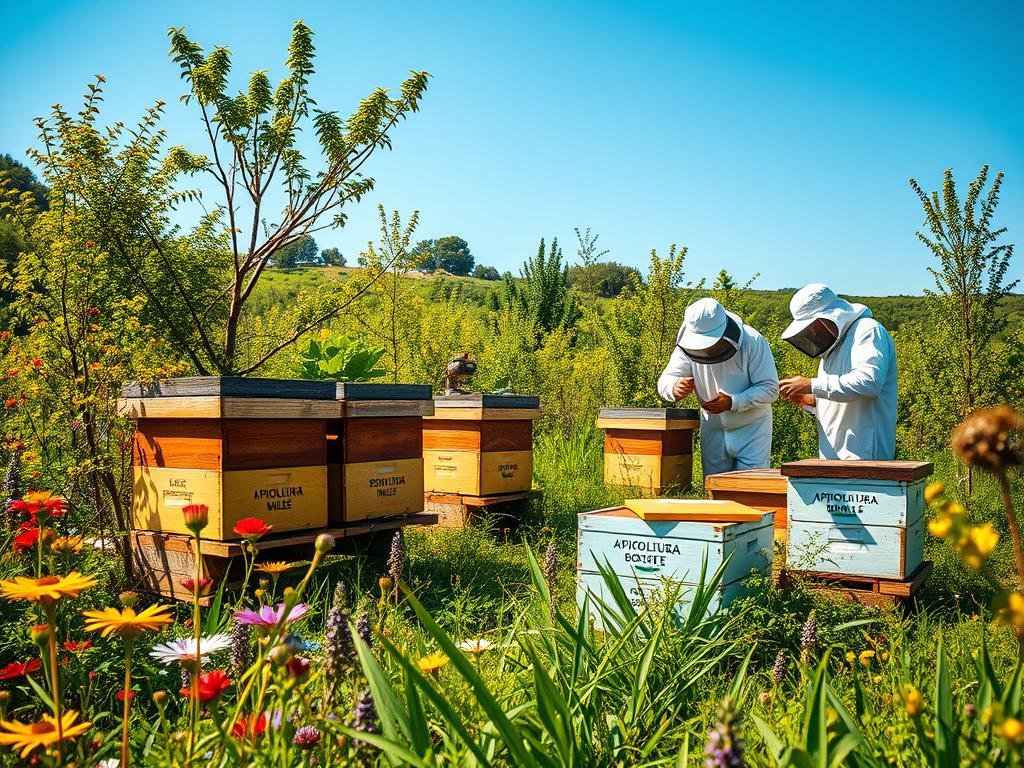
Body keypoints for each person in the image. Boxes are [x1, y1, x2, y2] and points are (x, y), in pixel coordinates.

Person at [658, 297, 779, 477]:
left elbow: (770, 388)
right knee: (716, 491)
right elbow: (665, 380)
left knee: (752, 491)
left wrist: (733, 402)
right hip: (712, 430)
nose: (706, 351)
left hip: (752, 432)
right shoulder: (688, 344)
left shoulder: (753, 341)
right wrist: (674, 387)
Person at [778, 283, 897, 460]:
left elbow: (869, 382)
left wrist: (811, 385)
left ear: (831, 316)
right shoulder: (831, 349)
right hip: (833, 460)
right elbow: (840, 395)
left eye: (814, 327)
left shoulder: (867, 331)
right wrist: (811, 401)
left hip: (867, 462)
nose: (812, 334)